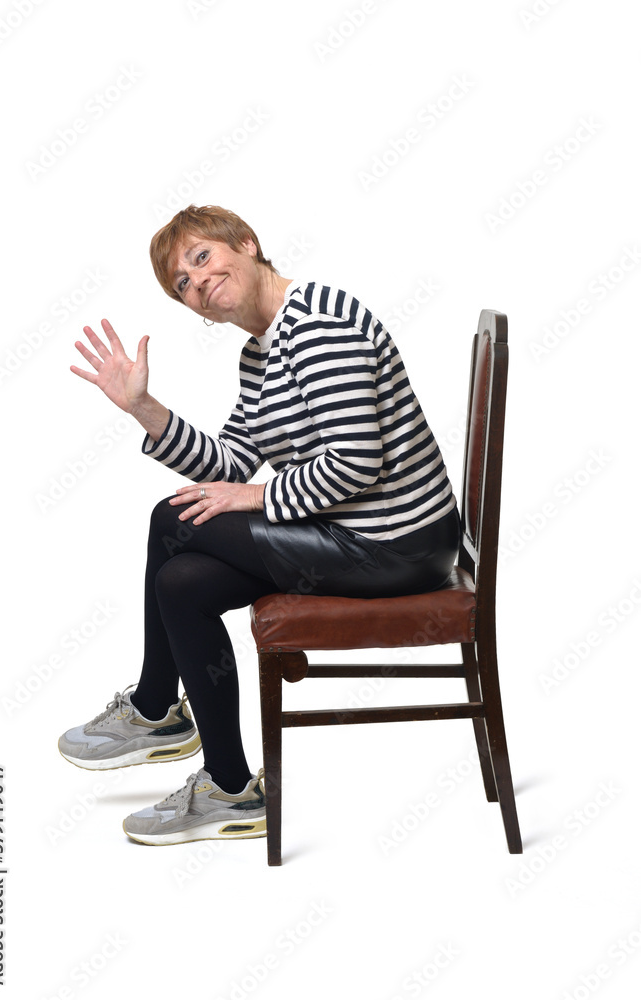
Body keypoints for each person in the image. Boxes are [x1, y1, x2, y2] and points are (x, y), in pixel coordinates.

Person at [58, 204, 461, 847]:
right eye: (182, 283)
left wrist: (255, 498)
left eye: (201, 258)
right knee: (183, 583)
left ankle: (156, 708)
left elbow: (356, 463)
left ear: (246, 244)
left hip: (395, 543)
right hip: (350, 533)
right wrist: (143, 408)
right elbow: (230, 464)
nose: (197, 281)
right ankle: (229, 789)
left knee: (172, 517)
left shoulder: (318, 323)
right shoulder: (260, 353)